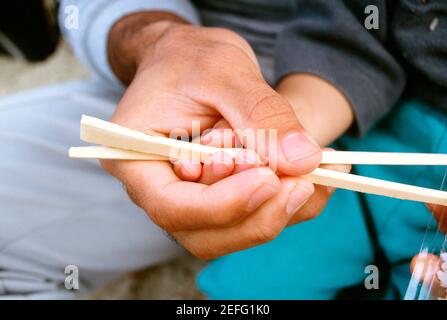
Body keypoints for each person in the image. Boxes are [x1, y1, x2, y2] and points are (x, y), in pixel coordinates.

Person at [0, 0, 445, 299]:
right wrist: (158, 41)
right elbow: (353, 38)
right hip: (244, 86)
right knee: (251, 286)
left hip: (357, 110)